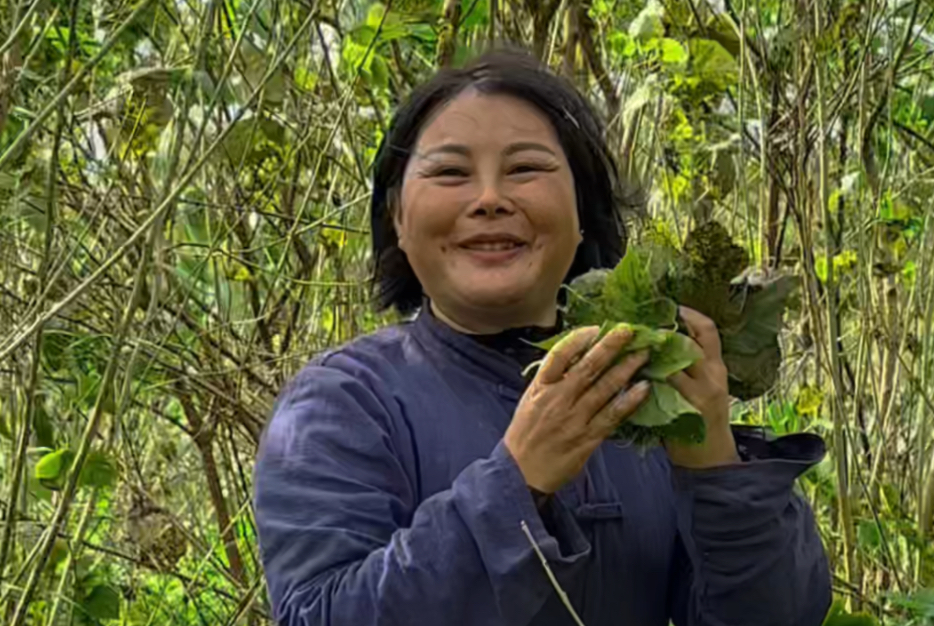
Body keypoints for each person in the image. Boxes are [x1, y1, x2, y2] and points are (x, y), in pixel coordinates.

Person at [253, 49, 832, 625]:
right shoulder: (342, 404)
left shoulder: (648, 379)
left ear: (583, 212)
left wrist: (715, 466)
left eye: (525, 169)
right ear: (397, 221)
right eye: (451, 173)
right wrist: (518, 483)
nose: (489, 200)